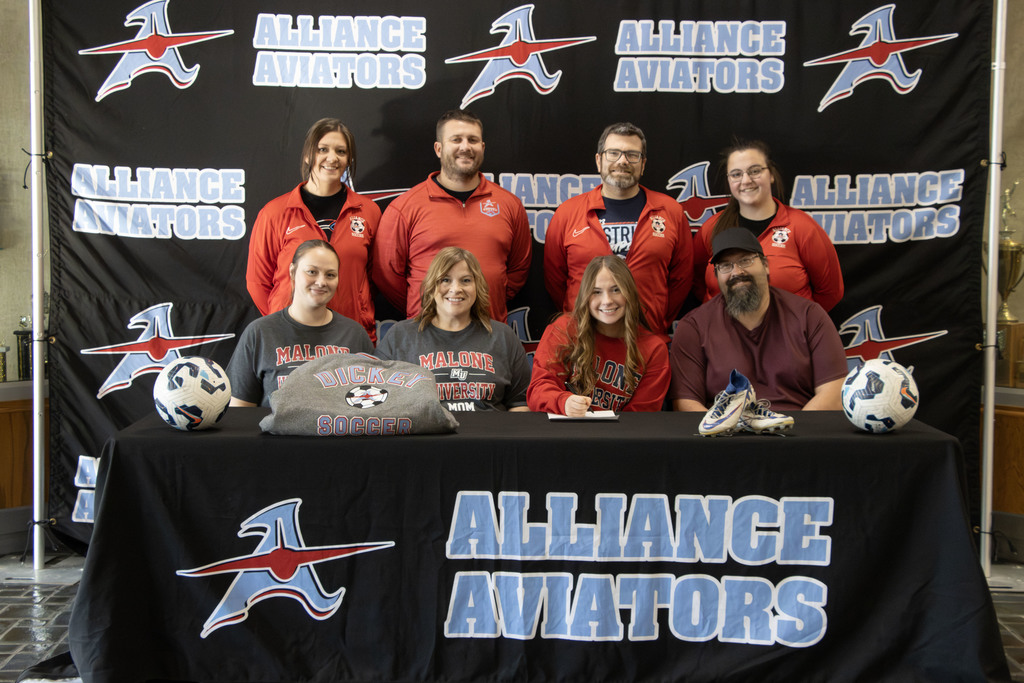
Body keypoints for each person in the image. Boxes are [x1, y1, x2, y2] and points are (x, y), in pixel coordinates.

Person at [372, 109, 532, 321]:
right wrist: (423, 303)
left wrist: (489, 297)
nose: (465, 147)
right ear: (439, 148)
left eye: (473, 140)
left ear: (482, 147)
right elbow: (387, 275)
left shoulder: (509, 204)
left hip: (488, 331)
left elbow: (518, 269)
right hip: (425, 334)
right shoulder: (405, 207)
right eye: (456, 139)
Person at [670, 229, 847, 416]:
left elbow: (834, 393)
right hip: (727, 437)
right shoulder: (694, 326)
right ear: (716, 275)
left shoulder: (809, 316)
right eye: (725, 266)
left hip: (799, 435)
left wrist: (790, 434)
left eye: (745, 260)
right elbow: (685, 404)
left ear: (766, 265)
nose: (736, 272)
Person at [544, 122, 692, 340]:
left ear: (643, 164)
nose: (622, 161)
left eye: (632, 154)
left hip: (646, 342)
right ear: (599, 160)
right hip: (583, 341)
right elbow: (555, 281)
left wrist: (653, 320)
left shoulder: (670, 212)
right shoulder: (568, 213)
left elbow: (682, 280)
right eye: (613, 153)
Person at [246, 118, 381, 341]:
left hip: (349, 335)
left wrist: (357, 306)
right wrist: (285, 316)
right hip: (290, 336)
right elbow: (258, 283)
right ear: (309, 155)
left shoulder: (368, 212)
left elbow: (373, 277)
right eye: (322, 149)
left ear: (348, 159)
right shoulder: (275, 212)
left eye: (341, 151)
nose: (332, 158)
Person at [692, 138, 843, 311]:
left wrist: (799, 324)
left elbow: (831, 292)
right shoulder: (712, 228)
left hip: (789, 337)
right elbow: (697, 283)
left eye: (754, 171)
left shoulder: (802, 227)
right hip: (724, 335)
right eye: (736, 174)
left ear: (770, 174)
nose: (746, 180)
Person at [375, 247, 530, 412]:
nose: (456, 289)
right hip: (424, 436)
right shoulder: (400, 336)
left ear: (478, 286)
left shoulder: (503, 337)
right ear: (431, 285)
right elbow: (378, 399)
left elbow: (520, 404)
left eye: (466, 280)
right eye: (445, 280)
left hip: (488, 435)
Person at [229, 240, 373, 407]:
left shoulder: (354, 334)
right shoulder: (260, 333)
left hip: (337, 434)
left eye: (330, 275)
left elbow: (370, 403)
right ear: (292, 271)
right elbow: (240, 413)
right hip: (276, 433)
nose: (321, 282)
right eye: (312, 272)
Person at [528, 256, 670, 416]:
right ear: (585, 297)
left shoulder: (654, 349)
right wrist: (564, 402)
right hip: (566, 432)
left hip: (621, 437)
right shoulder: (564, 330)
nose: (607, 300)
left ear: (629, 293)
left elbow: (641, 417)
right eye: (596, 292)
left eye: (616, 290)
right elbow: (538, 389)